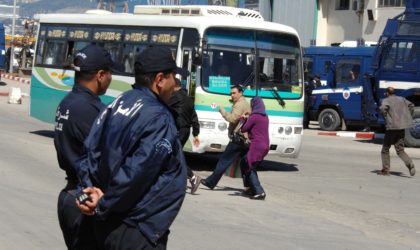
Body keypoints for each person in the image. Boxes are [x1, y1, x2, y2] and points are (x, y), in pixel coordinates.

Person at [75, 46, 188, 249]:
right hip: (136, 229)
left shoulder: (118, 102)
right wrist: (103, 204)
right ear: (160, 80)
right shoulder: (159, 117)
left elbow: (89, 151)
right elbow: (137, 172)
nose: (176, 84)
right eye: (174, 77)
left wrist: (86, 192)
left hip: (108, 224)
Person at [54, 44, 114, 249]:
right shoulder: (92, 110)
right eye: (110, 73)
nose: (111, 78)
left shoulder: (67, 102)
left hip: (70, 195)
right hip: (85, 199)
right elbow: (109, 158)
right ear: (100, 75)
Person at [201, 85, 251, 189]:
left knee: (223, 162)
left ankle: (211, 182)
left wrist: (222, 111)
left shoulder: (239, 105)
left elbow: (233, 119)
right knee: (246, 165)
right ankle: (251, 187)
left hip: (237, 139)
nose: (232, 95)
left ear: (240, 93)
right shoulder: (246, 103)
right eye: (231, 93)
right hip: (245, 139)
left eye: (234, 93)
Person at [169, 78, 202, 194]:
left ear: (175, 85)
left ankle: (192, 177)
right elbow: (194, 117)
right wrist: (196, 133)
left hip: (179, 130)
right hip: (186, 130)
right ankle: (177, 181)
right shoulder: (188, 99)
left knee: (173, 155)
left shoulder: (176, 96)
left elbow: (162, 104)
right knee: (174, 155)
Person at [378, 87, 416, 176]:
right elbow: (412, 106)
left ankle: (386, 170)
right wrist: (407, 116)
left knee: (385, 149)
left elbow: (382, 109)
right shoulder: (402, 99)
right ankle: (409, 163)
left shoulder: (386, 100)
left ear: (387, 93)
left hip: (391, 128)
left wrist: (386, 118)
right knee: (400, 150)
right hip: (401, 127)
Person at [239, 96, 269, 200]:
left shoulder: (254, 116)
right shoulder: (265, 116)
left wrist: (242, 119)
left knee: (250, 167)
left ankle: (259, 191)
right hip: (265, 146)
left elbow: (243, 129)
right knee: (244, 162)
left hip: (257, 146)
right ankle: (249, 188)